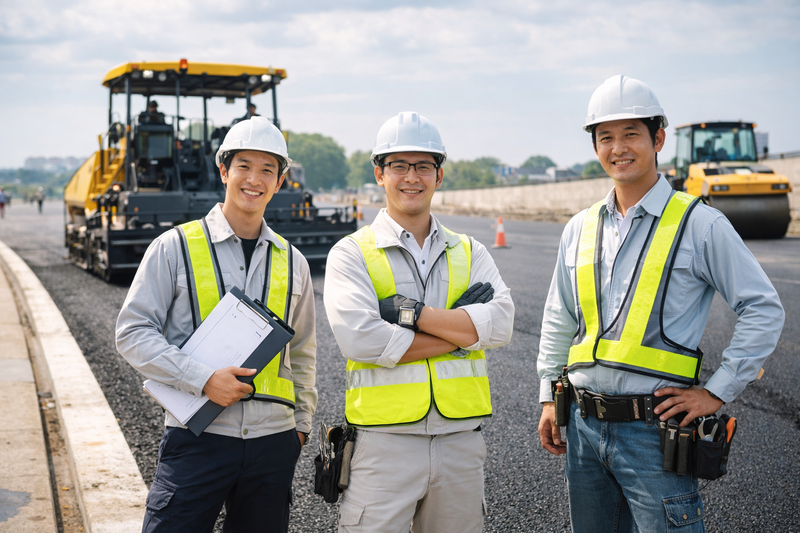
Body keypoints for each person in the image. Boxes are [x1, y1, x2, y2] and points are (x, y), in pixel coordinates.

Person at [536, 75, 785, 533]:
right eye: (606, 137)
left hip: (654, 434)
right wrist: (550, 399)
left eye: (631, 134)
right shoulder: (580, 228)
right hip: (584, 429)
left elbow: (763, 308)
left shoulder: (700, 224)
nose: (619, 148)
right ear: (595, 146)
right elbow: (558, 318)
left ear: (658, 139)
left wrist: (716, 391)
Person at [116, 116, 317, 533]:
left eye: (268, 170)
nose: (254, 179)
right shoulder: (173, 247)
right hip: (198, 437)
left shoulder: (293, 260)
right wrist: (203, 378)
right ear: (223, 170)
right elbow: (132, 333)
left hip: (273, 442)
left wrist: (299, 429)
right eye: (244, 166)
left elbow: (303, 352)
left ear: (280, 181)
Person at [324, 111, 514, 532]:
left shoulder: (471, 250)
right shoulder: (352, 253)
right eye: (399, 166)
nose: (412, 177)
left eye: (423, 166)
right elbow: (363, 341)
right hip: (382, 446)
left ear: (439, 176)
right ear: (379, 173)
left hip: (460, 442)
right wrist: (464, 334)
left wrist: (416, 316)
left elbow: (500, 326)